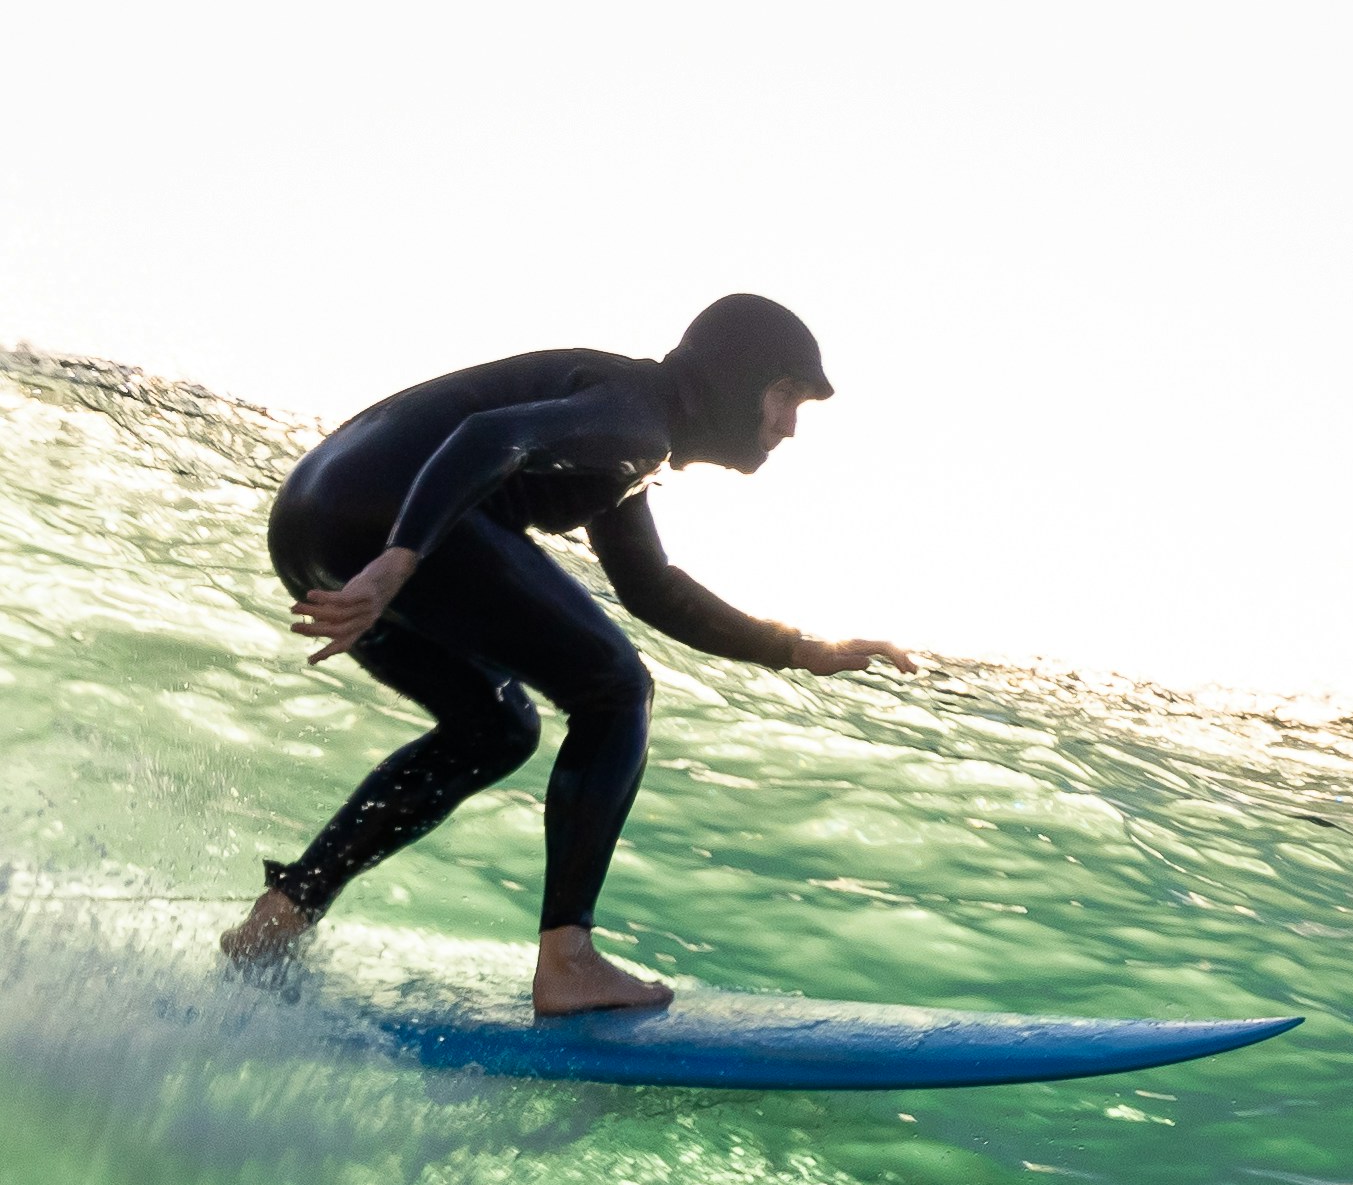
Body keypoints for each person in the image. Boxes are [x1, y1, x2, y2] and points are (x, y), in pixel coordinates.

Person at [217, 296, 907, 1015]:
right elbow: (490, 437)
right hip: (383, 525)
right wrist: (398, 560)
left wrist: (799, 650)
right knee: (616, 690)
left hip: (314, 522)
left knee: (496, 728)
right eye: (785, 395)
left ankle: (277, 920)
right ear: (734, 379)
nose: (788, 426)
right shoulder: (634, 420)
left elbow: (652, 588)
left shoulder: (625, 434)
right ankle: (568, 962)